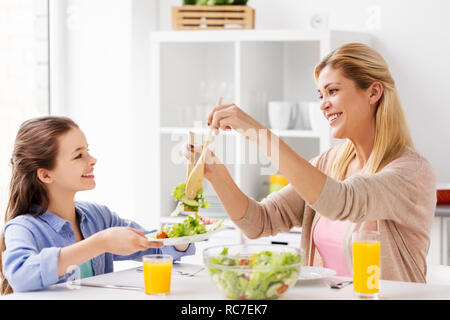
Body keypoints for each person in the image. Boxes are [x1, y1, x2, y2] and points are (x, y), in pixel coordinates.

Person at [186, 43, 436, 283]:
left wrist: (259, 134)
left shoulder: (411, 173)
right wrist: (216, 174)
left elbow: (339, 201)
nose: (323, 104)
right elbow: (259, 221)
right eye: (321, 95)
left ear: (373, 92)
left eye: (333, 91)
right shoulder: (329, 162)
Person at [0, 116, 194, 294]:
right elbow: (20, 275)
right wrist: (100, 244)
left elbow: (156, 249)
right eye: (78, 156)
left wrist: (187, 232)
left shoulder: (98, 217)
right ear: (45, 175)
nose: (92, 160)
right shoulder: (23, 228)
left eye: (87, 151)